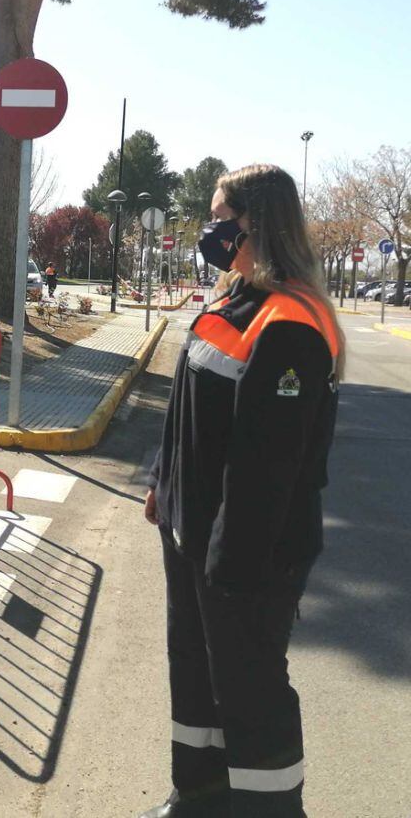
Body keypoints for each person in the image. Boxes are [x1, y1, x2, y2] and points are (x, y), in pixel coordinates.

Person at [140, 164, 343, 818]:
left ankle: (270, 809)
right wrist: (161, 487)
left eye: (219, 214)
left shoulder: (291, 322)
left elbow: (267, 465)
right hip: (191, 528)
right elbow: (187, 410)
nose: (210, 228)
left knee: (250, 685)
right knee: (195, 667)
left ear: (254, 221)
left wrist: (232, 564)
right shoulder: (233, 295)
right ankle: (198, 793)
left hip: (245, 550)